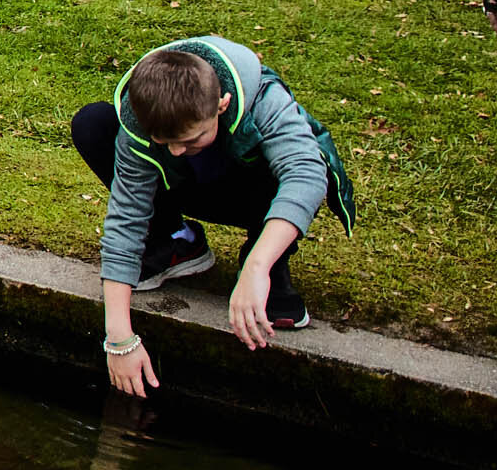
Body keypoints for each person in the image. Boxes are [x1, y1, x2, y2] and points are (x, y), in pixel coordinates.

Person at [72, 37, 355, 398]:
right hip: (192, 186)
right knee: (94, 123)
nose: (175, 151)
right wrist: (119, 339)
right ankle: (176, 243)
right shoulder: (141, 116)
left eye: (189, 140)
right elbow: (125, 218)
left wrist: (257, 268)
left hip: (254, 192)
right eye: (166, 142)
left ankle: (268, 263)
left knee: (293, 169)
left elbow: (307, 176)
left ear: (222, 105)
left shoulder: (263, 98)